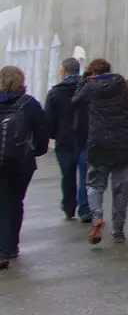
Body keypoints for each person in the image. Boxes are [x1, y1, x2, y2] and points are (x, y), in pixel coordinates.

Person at [72, 59, 128, 246]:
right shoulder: (126, 84)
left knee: (95, 185)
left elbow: (75, 102)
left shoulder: (90, 87)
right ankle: (118, 231)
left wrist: (83, 82)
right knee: (121, 189)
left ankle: (97, 216)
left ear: (92, 73)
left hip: (98, 144)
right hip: (124, 144)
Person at [0, 65, 50, 270]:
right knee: (15, 201)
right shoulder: (30, 104)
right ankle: (11, 246)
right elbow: (41, 136)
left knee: (2, 202)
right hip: (21, 163)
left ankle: (3, 250)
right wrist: (34, 152)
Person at [44, 57, 91, 222]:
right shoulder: (88, 89)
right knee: (86, 175)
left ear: (63, 72)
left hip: (64, 139)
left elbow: (48, 119)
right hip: (85, 137)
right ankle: (85, 210)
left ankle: (69, 207)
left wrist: (53, 135)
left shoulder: (55, 93)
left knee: (67, 174)